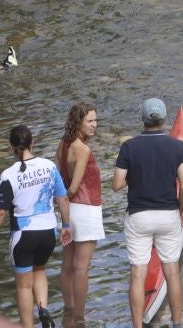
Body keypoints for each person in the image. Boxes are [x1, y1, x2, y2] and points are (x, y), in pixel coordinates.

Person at [115, 98, 183, 328]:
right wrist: (179, 209)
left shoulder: (129, 147)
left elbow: (117, 184)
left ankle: (138, 325)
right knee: (172, 271)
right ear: (163, 120)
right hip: (168, 214)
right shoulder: (177, 147)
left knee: (138, 273)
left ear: (143, 119)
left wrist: (133, 177)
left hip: (139, 215)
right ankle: (178, 323)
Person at [0, 124, 69, 328]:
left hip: (23, 235)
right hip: (48, 232)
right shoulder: (49, 166)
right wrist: (66, 225)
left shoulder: (9, 175)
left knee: (23, 287)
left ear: (11, 147)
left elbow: (0, 211)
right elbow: (63, 198)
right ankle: (44, 309)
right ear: (33, 142)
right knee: (39, 269)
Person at [58, 104, 103, 324]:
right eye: (90, 121)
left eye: (95, 121)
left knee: (67, 265)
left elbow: (58, 177)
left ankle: (68, 311)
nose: (94, 125)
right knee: (82, 268)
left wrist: (61, 205)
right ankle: (79, 318)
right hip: (86, 209)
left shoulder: (64, 144)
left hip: (69, 212)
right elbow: (74, 187)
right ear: (78, 122)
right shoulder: (83, 149)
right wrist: (67, 197)